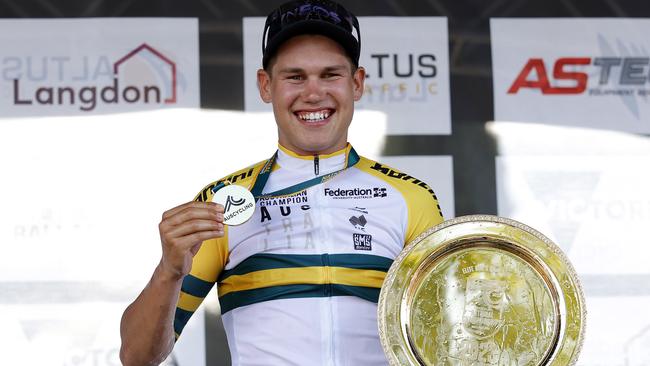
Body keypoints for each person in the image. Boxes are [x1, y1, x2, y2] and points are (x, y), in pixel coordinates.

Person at [119, 0, 444, 365]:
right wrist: (169, 271)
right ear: (266, 85)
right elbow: (137, 357)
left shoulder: (410, 198)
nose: (313, 93)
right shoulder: (225, 201)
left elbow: (447, 338)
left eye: (330, 75)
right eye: (295, 76)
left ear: (356, 83)